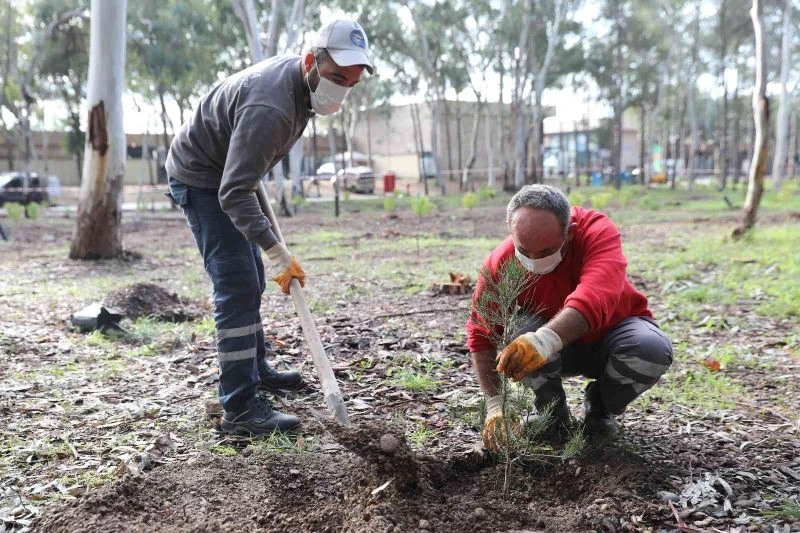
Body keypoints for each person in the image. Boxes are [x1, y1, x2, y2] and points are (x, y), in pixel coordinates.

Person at [165, 19, 374, 436]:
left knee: (252, 278)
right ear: (311, 61)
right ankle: (239, 407)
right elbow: (233, 191)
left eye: (350, 84)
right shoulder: (273, 107)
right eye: (336, 78)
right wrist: (275, 249)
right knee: (238, 284)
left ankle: (254, 369)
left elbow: (247, 173)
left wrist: (269, 250)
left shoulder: (302, 89)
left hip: (230, 174)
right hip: (203, 179)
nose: (341, 91)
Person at [467, 185, 673, 450]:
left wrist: (544, 341)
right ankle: (551, 414)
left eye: (545, 252)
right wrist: (495, 405)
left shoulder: (596, 231)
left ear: (570, 232)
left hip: (613, 338)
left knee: (651, 350)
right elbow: (481, 335)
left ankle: (600, 406)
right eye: (524, 250)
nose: (533, 261)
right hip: (551, 355)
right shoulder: (500, 263)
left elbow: (596, 295)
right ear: (511, 229)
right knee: (518, 331)